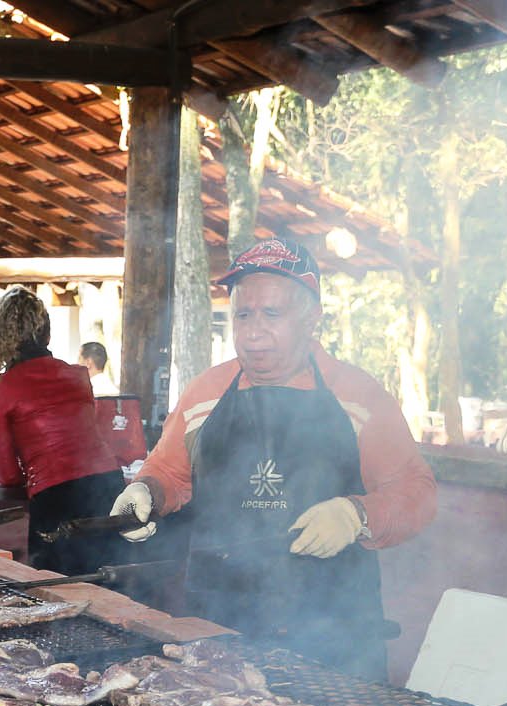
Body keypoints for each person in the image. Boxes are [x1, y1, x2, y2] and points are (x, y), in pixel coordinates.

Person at [109, 237, 437, 680]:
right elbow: (168, 470)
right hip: (220, 627)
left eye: (272, 314)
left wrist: (356, 514)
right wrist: (146, 491)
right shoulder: (206, 391)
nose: (253, 332)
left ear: (312, 319)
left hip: (331, 635)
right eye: (243, 315)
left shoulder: (358, 396)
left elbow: (417, 493)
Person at [0, 287, 128, 575]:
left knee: (58, 592)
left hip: (56, 499)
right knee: (113, 584)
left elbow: (6, 473)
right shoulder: (78, 376)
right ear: (46, 333)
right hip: (108, 485)